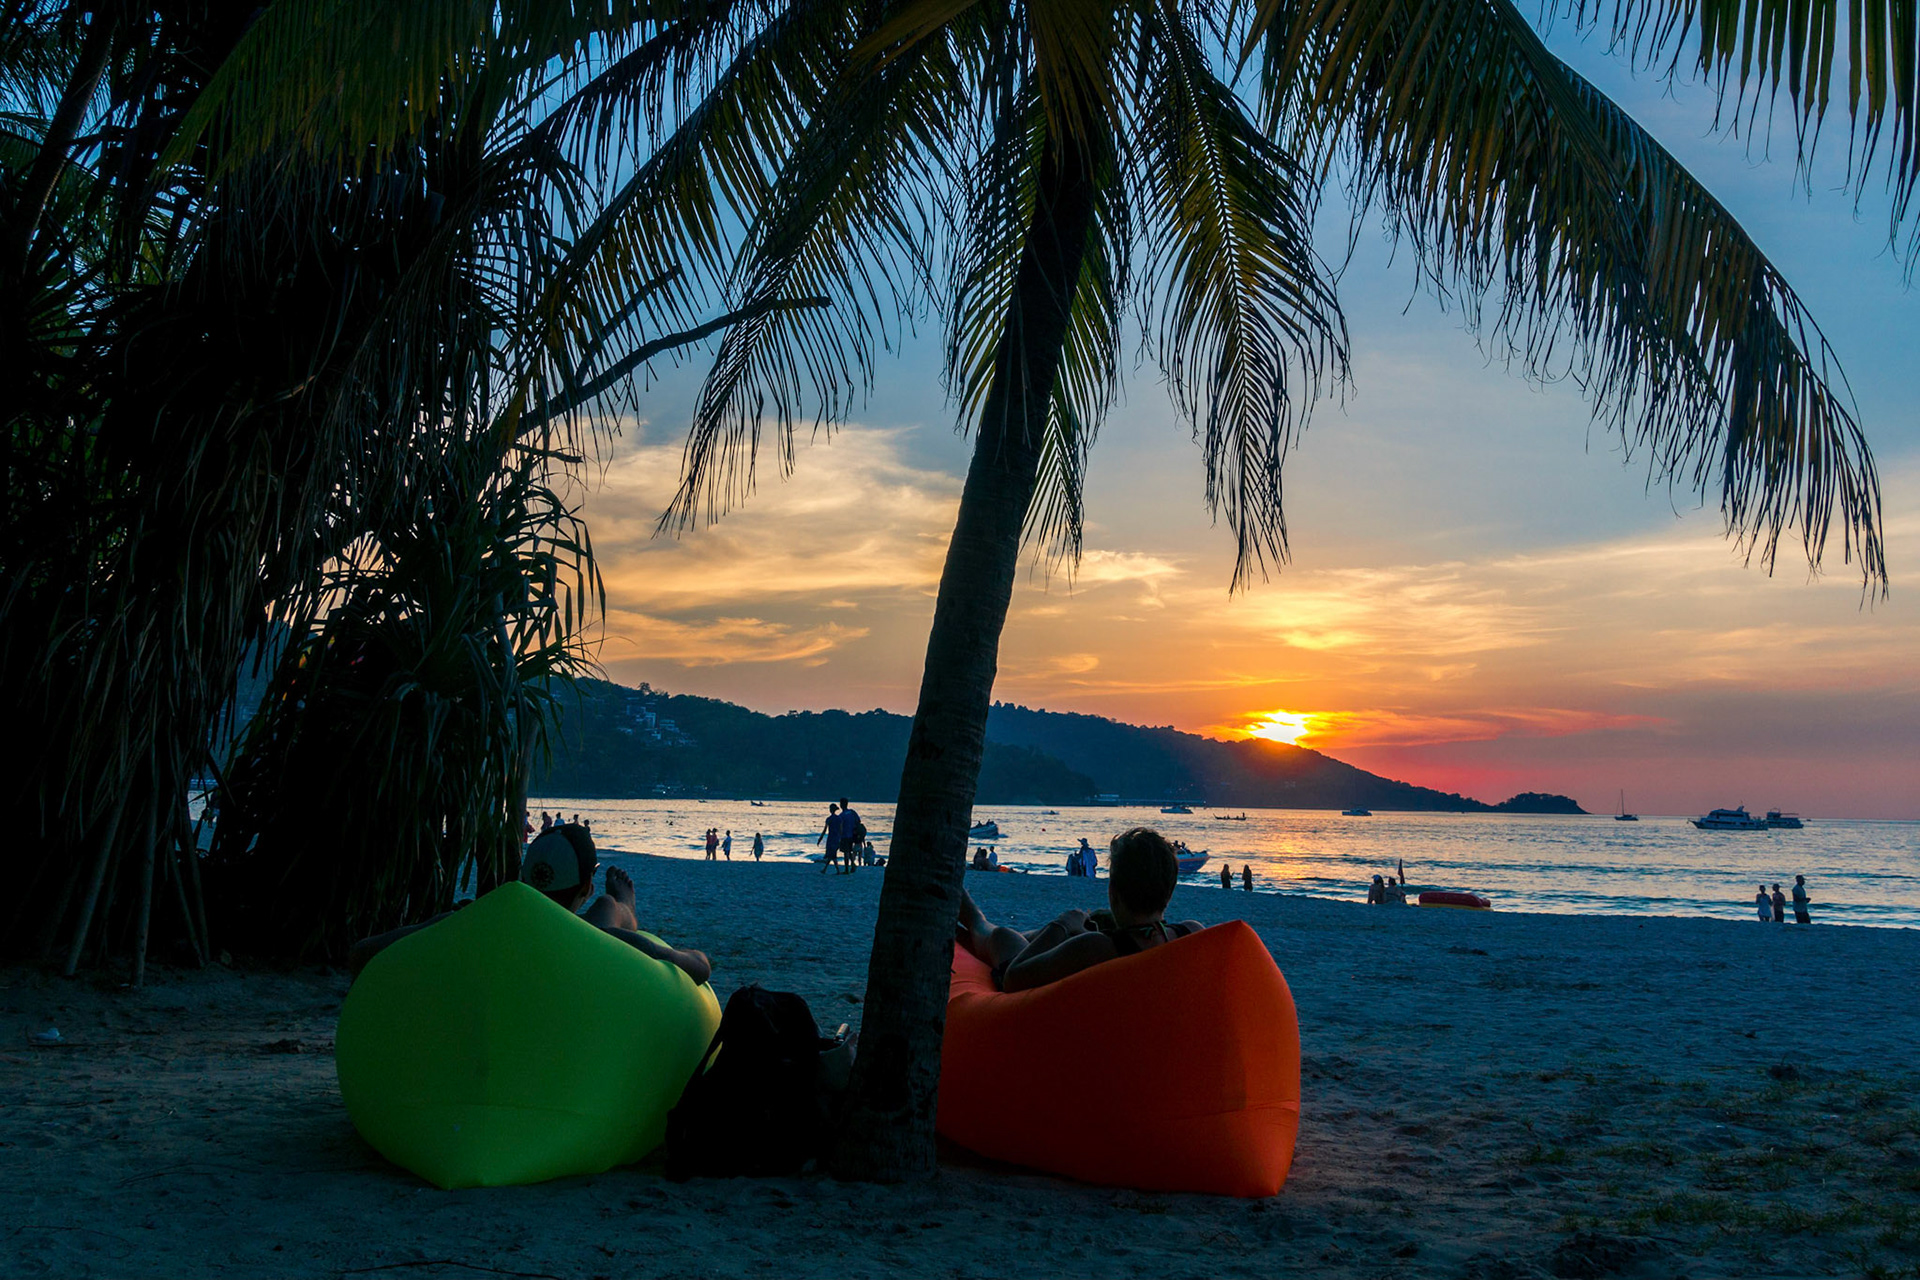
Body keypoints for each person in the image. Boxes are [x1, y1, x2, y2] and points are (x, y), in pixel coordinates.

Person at [347, 825, 711, 985]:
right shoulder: (600, 938)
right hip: (590, 938)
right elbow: (700, 967)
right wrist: (647, 946)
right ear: (584, 887)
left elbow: (362, 954)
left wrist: (448, 925)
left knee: (604, 911)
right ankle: (624, 908)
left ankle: (620, 907)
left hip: (506, 924)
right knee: (605, 910)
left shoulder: (470, 920)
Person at [956, 827, 1203, 992]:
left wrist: (1062, 924)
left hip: (1026, 990)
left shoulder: (1097, 947)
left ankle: (963, 906)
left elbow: (1013, 978)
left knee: (1001, 936)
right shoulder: (1191, 934)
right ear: (1170, 891)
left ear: (1113, 891)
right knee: (1030, 935)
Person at [837, 798, 864, 873]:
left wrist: (839, 837)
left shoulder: (841, 815)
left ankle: (847, 869)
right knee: (849, 851)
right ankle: (853, 865)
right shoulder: (852, 812)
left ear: (841, 805)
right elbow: (858, 821)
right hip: (852, 835)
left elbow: (840, 827)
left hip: (845, 835)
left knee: (846, 852)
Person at [818, 804, 842, 872]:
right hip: (837, 838)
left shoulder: (829, 819)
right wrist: (841, 839)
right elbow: (841, 830)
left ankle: (835, 870)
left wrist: (820, 838)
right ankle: (826, 869)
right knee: (832, 854)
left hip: (831, 838)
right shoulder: (839, 819)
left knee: (832, 854)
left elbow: (824, 830)